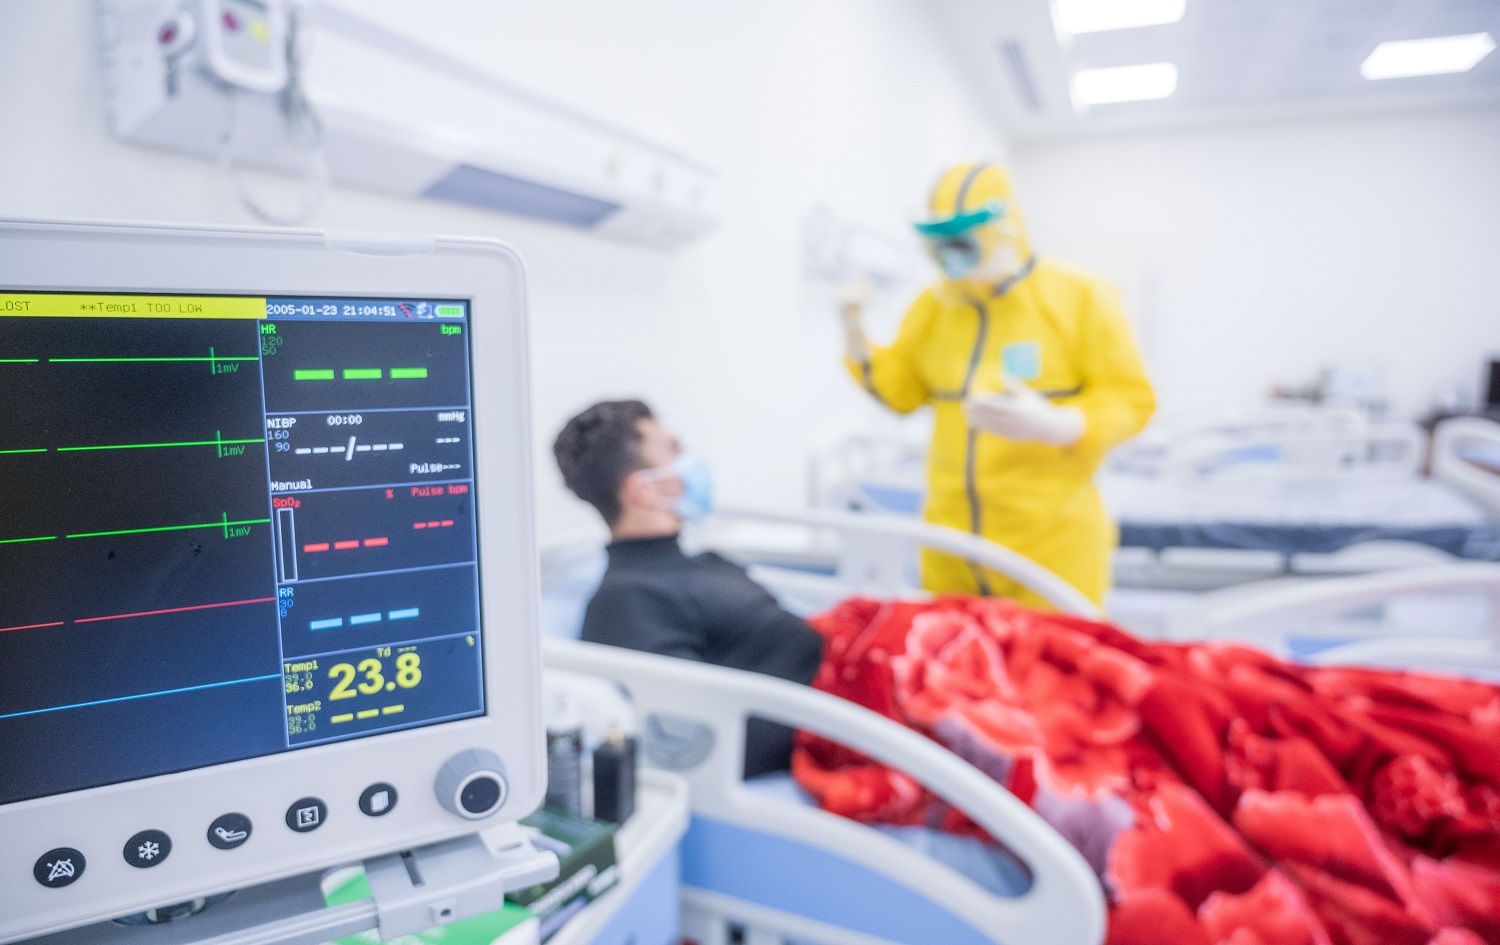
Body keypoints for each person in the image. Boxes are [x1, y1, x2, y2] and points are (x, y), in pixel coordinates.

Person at [840, 161, 1155, 607]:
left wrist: (1062, 425)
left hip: (1050, 549)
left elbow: (1132, 398)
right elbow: (902, 394)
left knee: (1048, 670)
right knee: (955, 665)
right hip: (951, 545)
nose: (953, 257)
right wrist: (854, 332)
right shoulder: (934, 307)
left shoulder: (1079, 296)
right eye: (941, 245)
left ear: (1004, 227)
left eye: (964, 241)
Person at [552, 400, 824, 777]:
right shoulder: (626, 599)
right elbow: (695, 743)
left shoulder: (704, 560)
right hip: (841, 719)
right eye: (673, 450)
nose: (690, 460)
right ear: (642, 490)